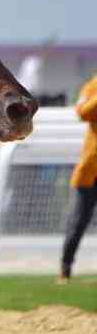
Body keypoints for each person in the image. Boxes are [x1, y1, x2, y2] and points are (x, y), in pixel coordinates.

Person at [60, 73, 97, 283]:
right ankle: (65, 267)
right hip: (90, 171)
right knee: (79, 221)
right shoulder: (92, 85)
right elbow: (82, 112)